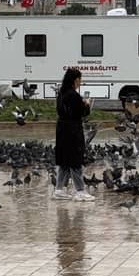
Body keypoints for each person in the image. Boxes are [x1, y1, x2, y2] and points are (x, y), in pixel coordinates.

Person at [53, 68, 94, 202]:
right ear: (75, 80)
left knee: (64, 160)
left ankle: (59, 190)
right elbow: (81, 113)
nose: (81, 82)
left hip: (62, 129)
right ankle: (80, 191)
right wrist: (87, 105)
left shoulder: (61, 93)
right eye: (80, 80)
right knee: (75, 159)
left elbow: (62, 111)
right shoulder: (74, 95)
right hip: (72, 130)